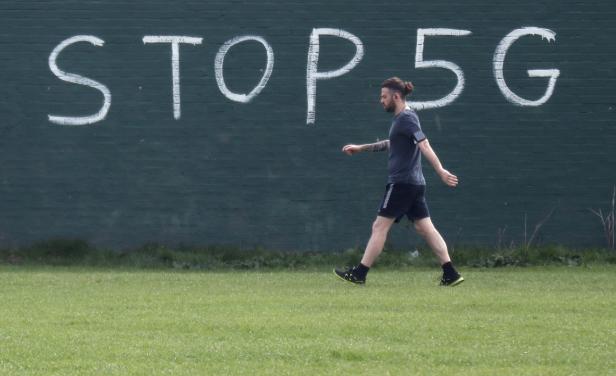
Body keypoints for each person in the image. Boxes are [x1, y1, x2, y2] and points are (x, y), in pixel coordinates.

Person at [334, 77, 464, 286]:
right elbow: (391, 144)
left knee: (379, 226)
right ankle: (450, 273)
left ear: (396, 96)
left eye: (384, 97)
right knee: (425, 228)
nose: (381, 101)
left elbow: (424, 144)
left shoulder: (407, 118)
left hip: (402, 184)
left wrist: (440, 170)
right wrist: (361, 148)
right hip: (413, 184)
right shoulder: (402, 120)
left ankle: (359, 273)